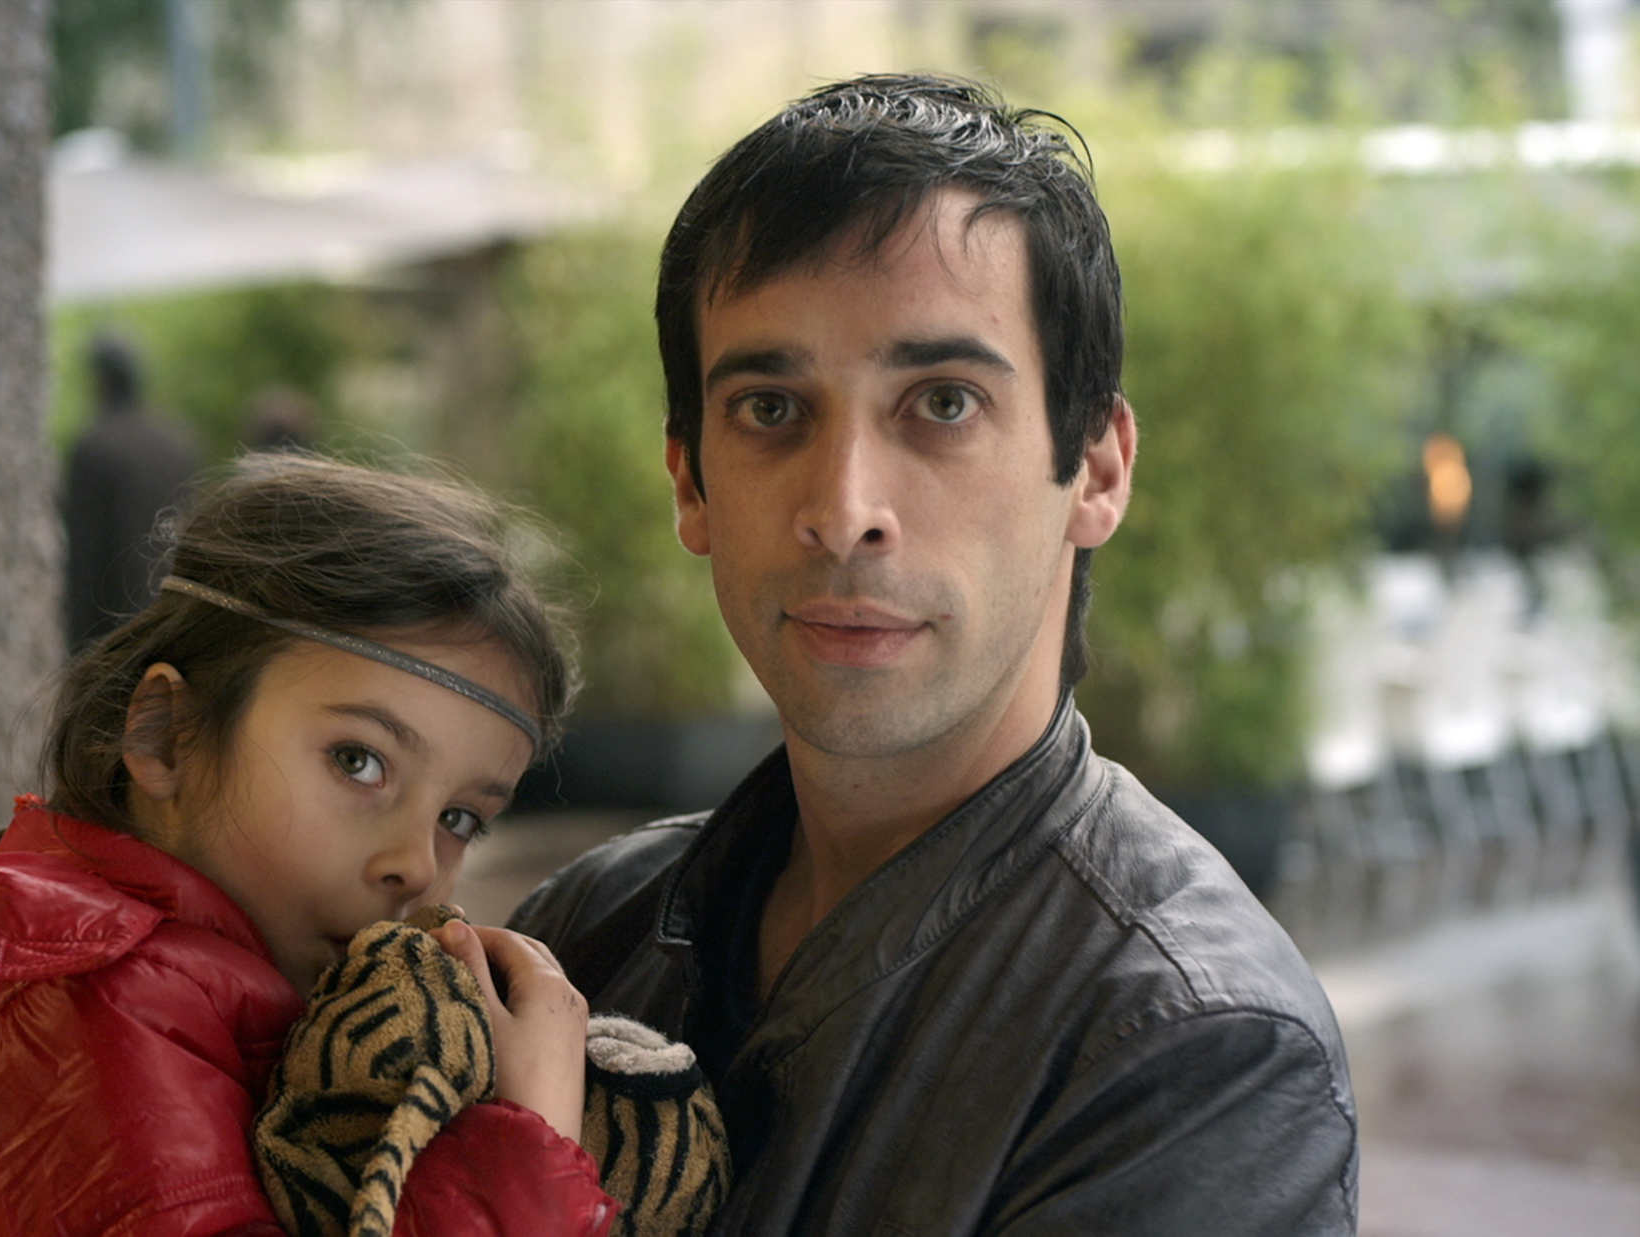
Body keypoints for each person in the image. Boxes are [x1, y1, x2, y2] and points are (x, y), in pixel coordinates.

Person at [509, 74, 1357, 1234]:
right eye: (769, 409)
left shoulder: (1193, 1045)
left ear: (1095, 469)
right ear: (689, 484)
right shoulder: (580, 940)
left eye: (943, 403)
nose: (843, 510)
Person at [0, 453, 617, 1237]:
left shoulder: (217, 1011)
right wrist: (528, 1140)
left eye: (460, 818)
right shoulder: (93, 1023)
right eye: (359, 760)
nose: (415, 865)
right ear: (166, 734)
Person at [60, 330, 204, 650]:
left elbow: (85, 555)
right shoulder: (179, 442)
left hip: (114, 626)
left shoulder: (95, 446)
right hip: (173, 615)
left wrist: (77, 645)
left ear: (100, 379)